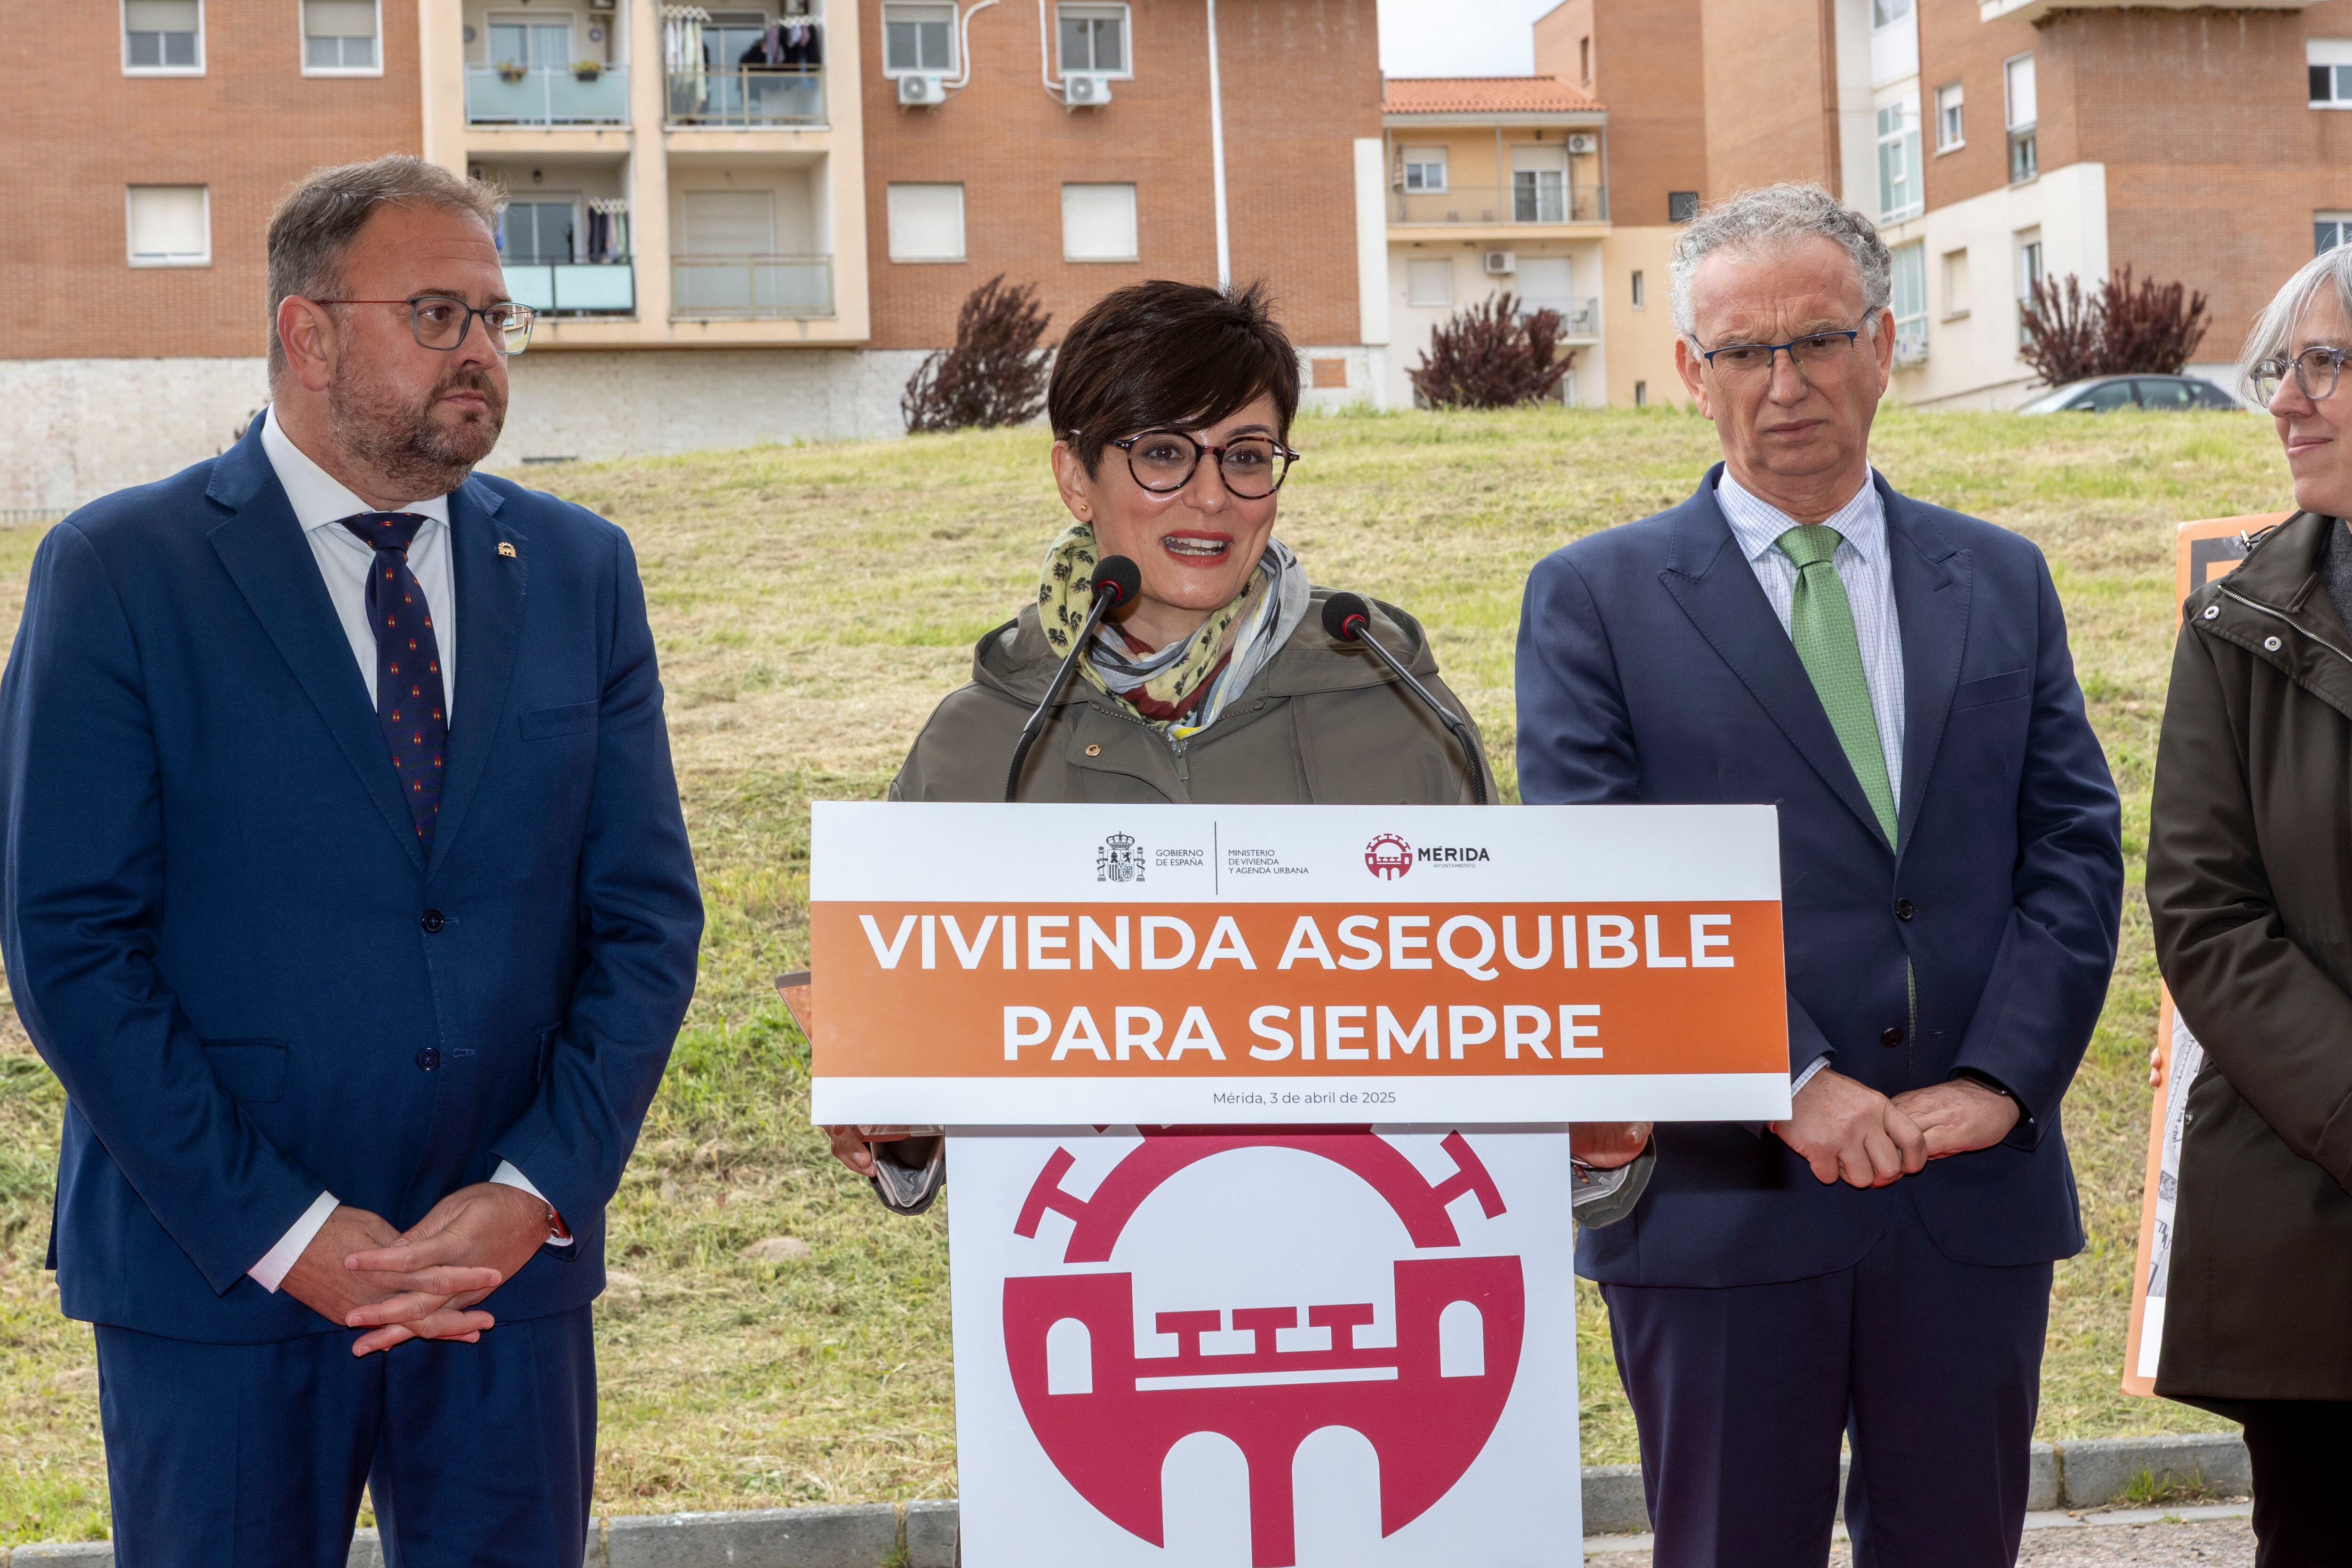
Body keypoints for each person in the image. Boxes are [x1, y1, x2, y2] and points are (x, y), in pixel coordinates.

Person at [0, 155, 703, 1567]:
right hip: (225, 1281)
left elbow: (644, 920)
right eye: (439, 314)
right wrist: (287, 1227)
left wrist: (536, 1187)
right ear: (305, 332)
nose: (483, 355)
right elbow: (69, 941)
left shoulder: (580, 568)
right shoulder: (120, 570)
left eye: (501, 321)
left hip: (503, 1276)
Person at [1514, 183, 2122, 1568]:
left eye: (1818, 339)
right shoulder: (1594, 598)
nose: (1783, 384)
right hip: (1727, 1203)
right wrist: (1787, 1080)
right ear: (1689, 373)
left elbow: (2075, 845)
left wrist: (2000, 1081)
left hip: (1968, 1196)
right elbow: (1601, 879)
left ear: (1883, 345)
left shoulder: (2003, 577)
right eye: (1742, 352)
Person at [824, 278, 1650, 1190]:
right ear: (1074, 477)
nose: (1212, 496)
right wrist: (897, 1127)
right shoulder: (980, 744)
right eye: (1165, 453)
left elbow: (1516, 1045)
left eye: (1247, 456)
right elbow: (915, 1114)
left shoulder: (1402, 704)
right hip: (1100, 1290)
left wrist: (1591, 1137)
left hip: (1378, 1269)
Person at [2146, 243, 2352, 1567]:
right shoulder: (2238, 619)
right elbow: (2205, 910)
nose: (2288, 398)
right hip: (2314, 1238)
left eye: (2327, 362)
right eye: (2280, 367)